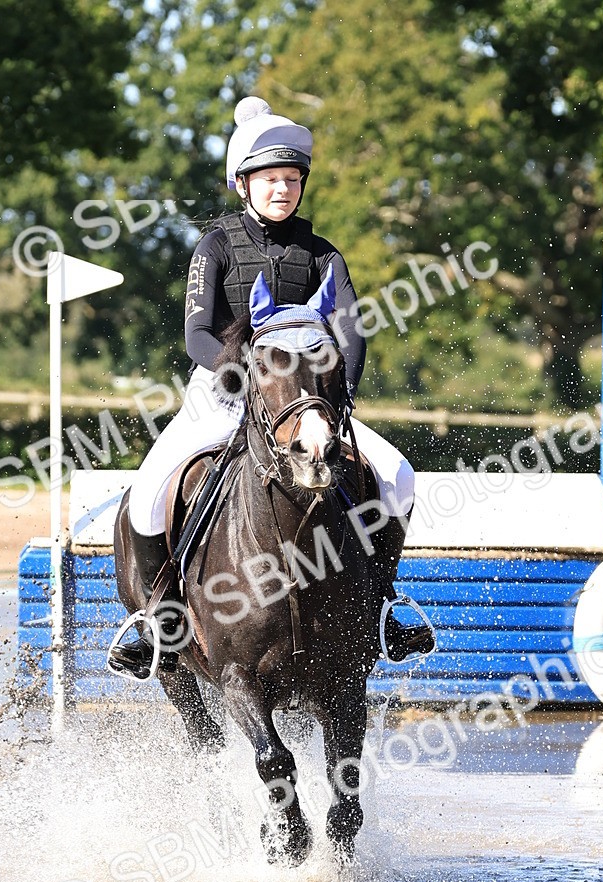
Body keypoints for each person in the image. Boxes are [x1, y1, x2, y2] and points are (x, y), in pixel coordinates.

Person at [109, 97, 434, 679]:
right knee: (152, 489)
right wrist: (235, 374)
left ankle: (382, 606)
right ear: (243, 184)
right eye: (270, 179)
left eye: (291, 179)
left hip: (308, 401)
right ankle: (157, 621)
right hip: (223, 392)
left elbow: (351, 333)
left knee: (399, 477)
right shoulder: (215, 245)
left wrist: (341, 398)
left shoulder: (323, 255)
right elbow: (196, 333)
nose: (282, 189)